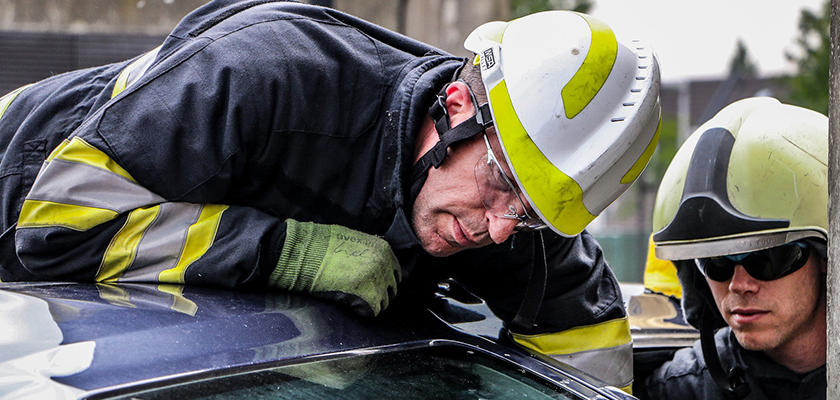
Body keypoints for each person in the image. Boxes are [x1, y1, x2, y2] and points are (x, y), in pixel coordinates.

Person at [0, 0, 662, 390]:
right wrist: (291, 251)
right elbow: (59, 224)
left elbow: (587, 340)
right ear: (457, 107)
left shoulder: (506, 201)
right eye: (503, 188)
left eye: (527, 215)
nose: (495, 230)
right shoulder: (269, 74)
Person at [639, 97, 827, 399]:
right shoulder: (681, 390)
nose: (739, 285)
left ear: (826, 259)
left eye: (767, 258)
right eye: (717, 262)